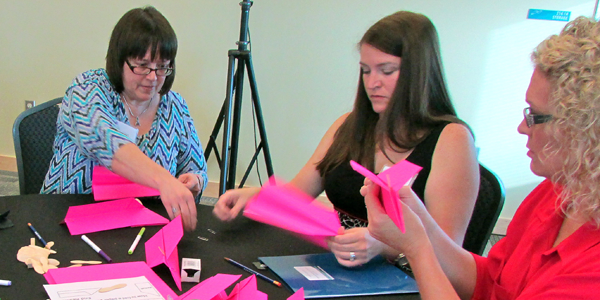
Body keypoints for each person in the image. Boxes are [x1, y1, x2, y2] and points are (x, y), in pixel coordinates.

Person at [214, 11, 479, 266]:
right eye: (366, 70)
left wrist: (383, 245)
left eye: (386, 71)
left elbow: (448, 253)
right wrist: (255, 195)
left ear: (419, 73)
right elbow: (299, 191)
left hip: (406, 275)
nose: (372, 83)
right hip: (339, 265)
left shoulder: (452, 139)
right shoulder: (349, 124)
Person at [363, 16, 600, 300]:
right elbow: (490, 281)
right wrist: (419, 223)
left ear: (584, 128)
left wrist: (416, 248)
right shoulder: (555, 192)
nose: (522, 127)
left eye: (534, 116)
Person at [40, 6, 207, 231]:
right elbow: (107, 141)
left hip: (143, 227)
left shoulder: (174, 105)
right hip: (69, 222)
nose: (153, 77)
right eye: (142, 66)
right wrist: (164, 180)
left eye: (162, 67)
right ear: (120, 60)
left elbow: (197, 167)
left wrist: (195, 181)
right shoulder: (88, 89)